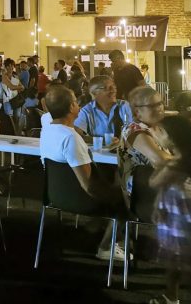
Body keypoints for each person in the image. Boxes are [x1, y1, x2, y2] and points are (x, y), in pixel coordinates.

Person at [39, 85, 127, 261]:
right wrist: (120, 193)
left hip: (55, 196)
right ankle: (106, 246)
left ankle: (96, 225)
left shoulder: (47, 128)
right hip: (80, 201)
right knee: (128, 198)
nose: (79, 104)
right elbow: (89, 186)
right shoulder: (71, 139)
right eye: (75, 101)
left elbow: (51, 109)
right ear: (72, 107)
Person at [147, 115, 191, 304]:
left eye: (159, 131)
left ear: (172, 137)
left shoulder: (175, 164)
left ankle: (171, 296)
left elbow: (155, 183)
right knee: (188, 261)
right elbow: (165, 189)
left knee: (176, 261)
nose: (154, 133)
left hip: (178, 220)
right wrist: (157, 205)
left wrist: (158, 165)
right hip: (184, 216)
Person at [118, 86, 172, 209]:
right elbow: (161, 160)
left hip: (162, 186)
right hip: (143, 195)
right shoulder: (134, 130)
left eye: (160, 103)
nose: (159, 108)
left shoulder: (159, 127)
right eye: (152, 106)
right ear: (137, 111)